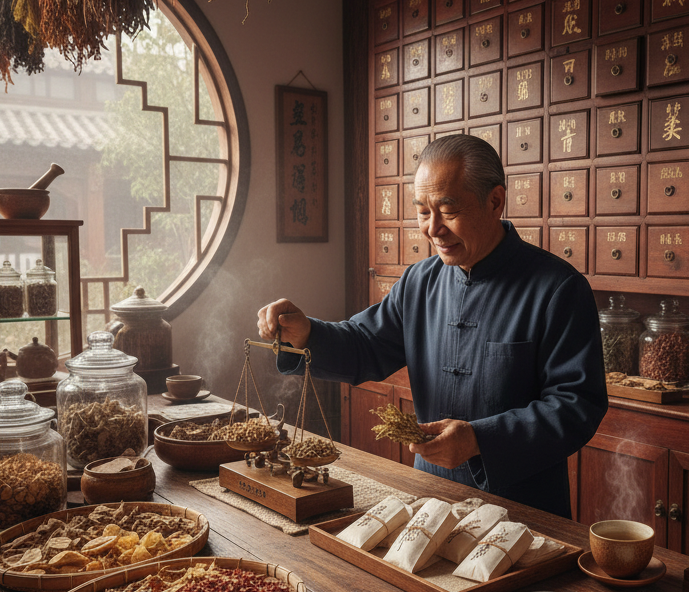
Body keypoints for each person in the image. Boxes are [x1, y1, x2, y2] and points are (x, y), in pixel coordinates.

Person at [258, 135, 607, 517]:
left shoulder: (557, 288)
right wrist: (306, 333)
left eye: (447, 209)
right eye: (423, 211)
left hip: (522, 506)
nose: (432, 229)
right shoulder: (420, 281)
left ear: (495, 201)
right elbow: (365, 343)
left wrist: (480, 440)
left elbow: (576, 406)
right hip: (429, 497)